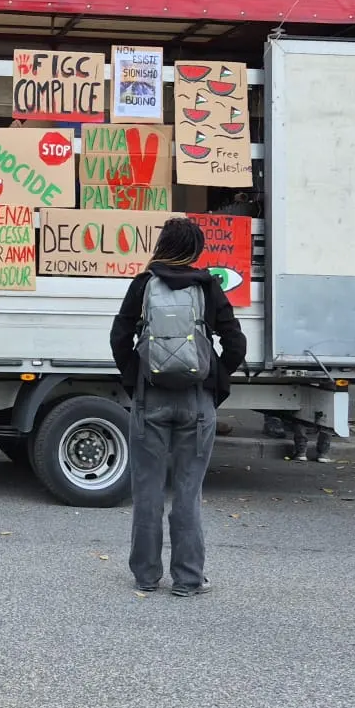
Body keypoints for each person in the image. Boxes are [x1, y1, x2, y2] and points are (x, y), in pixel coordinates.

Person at [110, 217, 246, 597]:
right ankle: (188, 579)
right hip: (197, 402)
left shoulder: (143, 285)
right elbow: (236, 344)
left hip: (150, 398)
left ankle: (146, 577)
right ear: (196, 250)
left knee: (147, 491)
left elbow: (119, 337)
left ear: (163, 245)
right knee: (188, 491)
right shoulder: (209, 287)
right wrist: (212, 380)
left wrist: (136, 380)